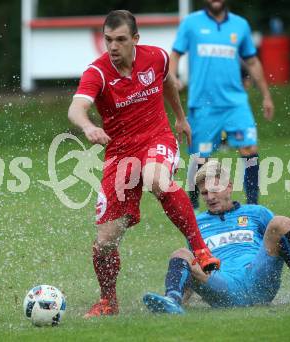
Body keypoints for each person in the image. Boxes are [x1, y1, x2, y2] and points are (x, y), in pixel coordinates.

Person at [68, 10, 220, 318]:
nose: (113, 47)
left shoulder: (157, 58)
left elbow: (168, 83)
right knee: (105, 242)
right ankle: (108, 302)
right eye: (108, 40)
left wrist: (179, 118)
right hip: (119, 156)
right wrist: (87, 126)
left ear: (135, 39)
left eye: (120, 40)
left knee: (156, 179)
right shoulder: (97, 73)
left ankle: (200, 248)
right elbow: (77, 107)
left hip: (156, 138)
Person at [143, 160, 290, 313]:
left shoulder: (256, 213)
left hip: (258, 277)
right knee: (181, 253)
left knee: (281, 223)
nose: (210, 197)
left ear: (229, 186)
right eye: (205, 193)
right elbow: (194, 265)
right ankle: (172, 302)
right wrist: (187, 295)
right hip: (222, 285)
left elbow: (284, 243)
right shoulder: (196, 223)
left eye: (215, 189)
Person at [169, 0, 274, 209]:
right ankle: (194, 207)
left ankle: (252, 206)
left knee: (249, 149)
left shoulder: (240, 25)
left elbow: (252, 61)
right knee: (200, 157)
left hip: (235, 102)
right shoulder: (191, 23)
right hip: (203, 103)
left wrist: (266, 95)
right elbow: (175, 54)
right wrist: (173, 76)